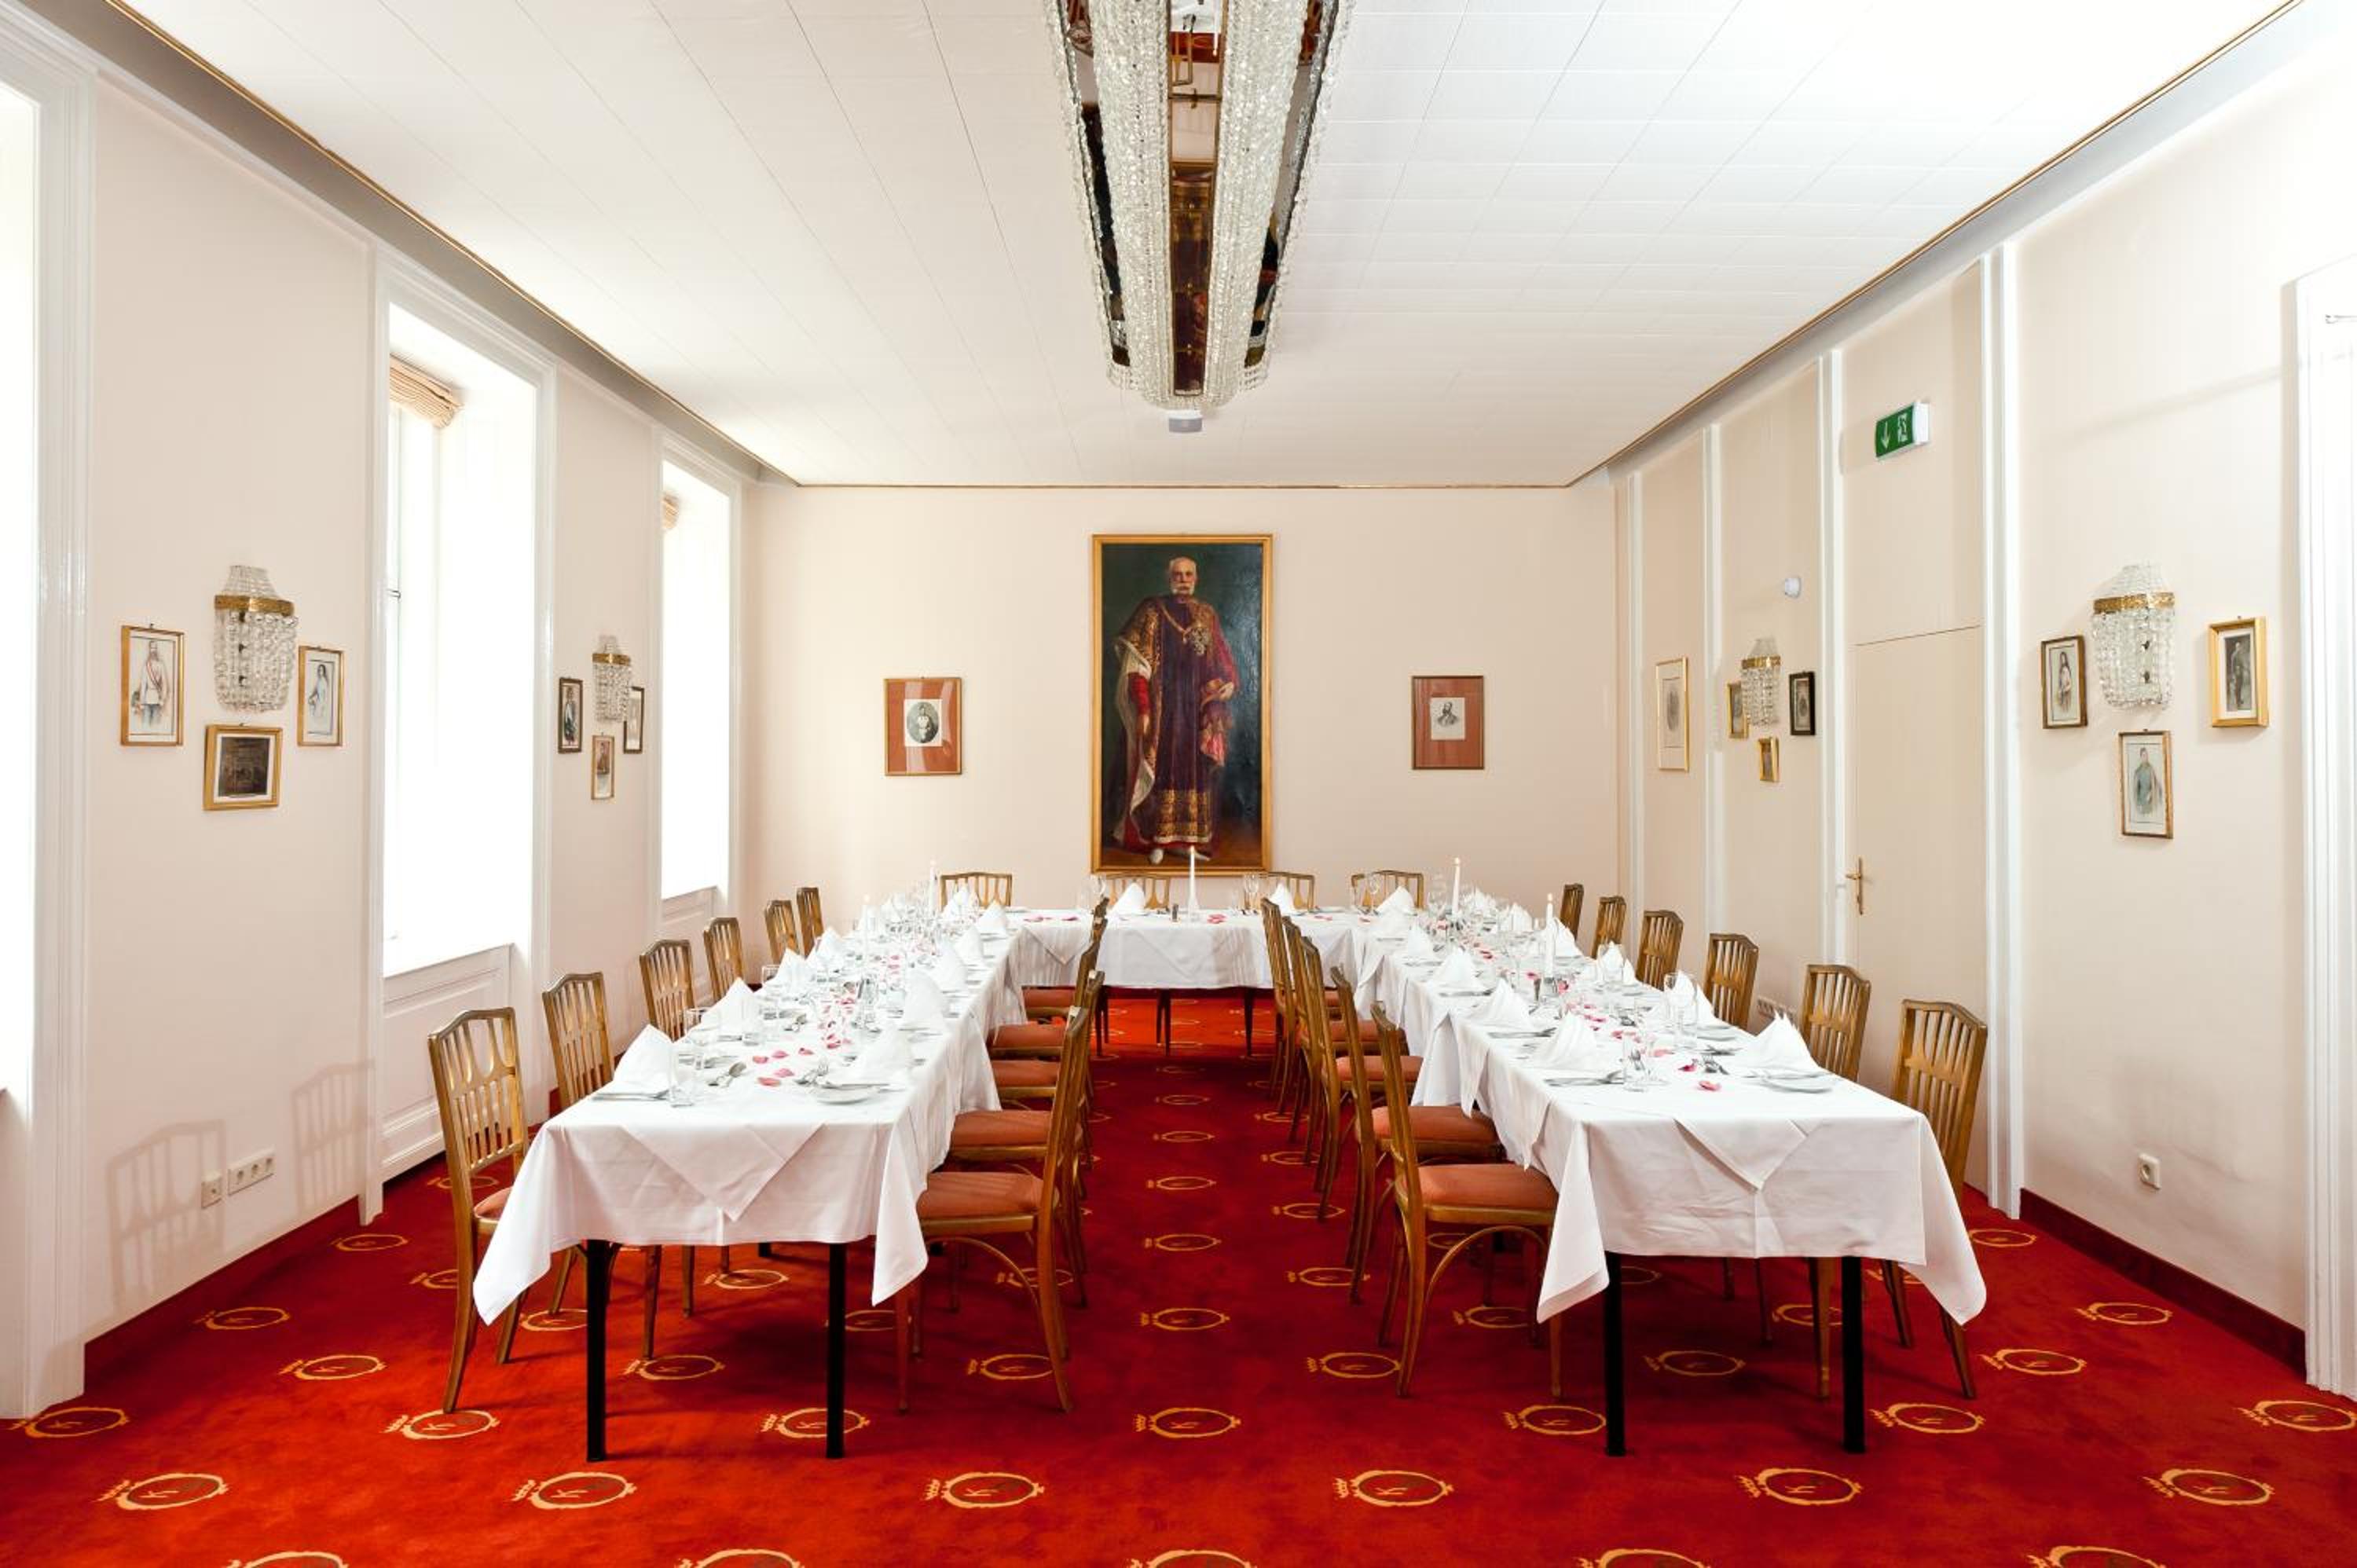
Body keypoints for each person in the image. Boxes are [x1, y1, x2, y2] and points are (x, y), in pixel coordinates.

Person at [1112, 555, 1239, 864]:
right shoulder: (1152, 610)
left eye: (1188, 574)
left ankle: (1188, 843)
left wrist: (1229, 684)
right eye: (1178, 574)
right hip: (1163, 709)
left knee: (1194, 774)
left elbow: (1221, 659)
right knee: (1163, 769)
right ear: (1169, 578)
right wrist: (1144, 708)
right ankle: (1159, 840)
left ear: (1196, 578)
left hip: (1196, 711)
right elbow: (1137, 667)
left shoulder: (1206, 614)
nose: (1183, 580)